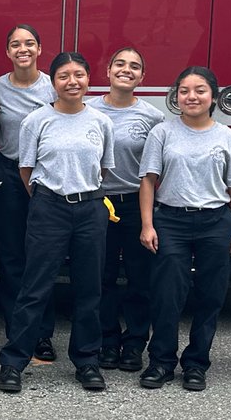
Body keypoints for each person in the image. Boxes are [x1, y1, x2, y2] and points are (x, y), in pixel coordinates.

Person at [0, 52, 114, 393]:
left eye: (79, 74)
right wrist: (49, 200)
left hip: (91, 208)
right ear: (53, 82)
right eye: (64, 76)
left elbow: (103, 168)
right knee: (34, 287)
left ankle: (87, 361)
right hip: (49, 208)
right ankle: (14, 362)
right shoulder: (37, 120)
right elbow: (26, 170)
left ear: (89, 80)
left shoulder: (100, 121)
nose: (72, 82)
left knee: (89, 289)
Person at [137, 66, 231, 391]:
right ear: (176, 96)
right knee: (166, 295)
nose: (192, 96)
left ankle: (197, 364)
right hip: (170, 221)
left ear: (213, 96)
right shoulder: (163, 133)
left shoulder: (229, 138)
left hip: (216, 222)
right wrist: (147, 224)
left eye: (200, 90)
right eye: (184, 90)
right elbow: (148, 182)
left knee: (210, 295)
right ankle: (161, 362)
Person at [88, 47, 164, 372]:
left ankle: (134, 344)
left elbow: (156, 170)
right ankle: (107, 342)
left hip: (135, 204)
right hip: (97, 202)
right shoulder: (87, 110)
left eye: (135, 66)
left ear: (142, 77)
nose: (126, 70)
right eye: (120, 63)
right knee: (100, 277)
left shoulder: (153, 118)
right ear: (108, 71)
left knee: (139, 278)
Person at [0, 24, 59, 362]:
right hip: (8, 172)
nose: (23, 49)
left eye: (29, 43)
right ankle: (17, 331)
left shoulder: (53, 86)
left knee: (42, 258)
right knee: (12, 257)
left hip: (47, 177)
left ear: (39, 49)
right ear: (7, 51)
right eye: (15, 44)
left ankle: (42, 334)